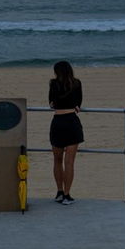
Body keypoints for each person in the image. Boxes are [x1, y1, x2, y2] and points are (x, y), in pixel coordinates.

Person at [48, 60, 84, 204]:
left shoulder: (53, 83)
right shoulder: (77, 83)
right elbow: (79, 103)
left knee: (57, 160)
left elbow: (51, 103)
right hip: (71, 121)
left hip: (57, 121)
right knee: (69, 162)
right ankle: (67, 195)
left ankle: (59, 192)